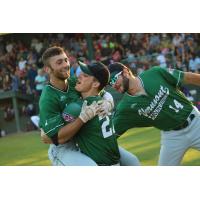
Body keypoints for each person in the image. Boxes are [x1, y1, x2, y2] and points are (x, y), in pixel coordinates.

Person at [39, 46, 139, 166]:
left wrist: (108, 103)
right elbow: (55, 138)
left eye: (66, 60)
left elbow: (102, 91)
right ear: (47, 69)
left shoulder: (74, 82)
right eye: (59, 62)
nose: (65, 65)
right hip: (64, 148)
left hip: (86, 140)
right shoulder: (47, 98)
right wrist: (82, 119)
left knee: (132, 162)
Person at [108, 62, 200, 166]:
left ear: (125, 72)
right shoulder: (125, 108)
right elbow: (108, 134)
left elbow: (188, 77)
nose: (113, 85)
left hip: (195, 123)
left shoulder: (155, 73)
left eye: (114, 79)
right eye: (110, 83)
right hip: (172, 136)